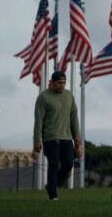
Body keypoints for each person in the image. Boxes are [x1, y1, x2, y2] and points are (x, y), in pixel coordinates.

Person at [32, 71, 82, 201]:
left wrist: (77, 139)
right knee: (53, 164)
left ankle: (52, 186)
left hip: (66, 138)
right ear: (52, 82)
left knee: (68, 164)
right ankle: (53, 195)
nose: (62, 85)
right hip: (50, 138)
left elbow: (74, 118)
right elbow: (39, 121)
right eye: (59, 83)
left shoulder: (69, 96)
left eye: (64, 83)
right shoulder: (43, 97)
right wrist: (37, 142)